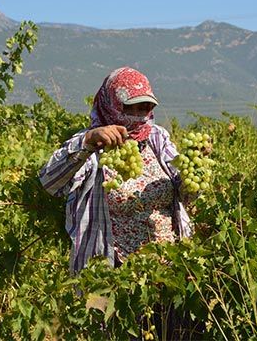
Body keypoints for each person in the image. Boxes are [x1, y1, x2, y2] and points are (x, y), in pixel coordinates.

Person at [39, 67, 195, 273]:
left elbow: (186, 193)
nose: (138, 116)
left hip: (167, 265)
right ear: (111, 105)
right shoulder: (91, 144)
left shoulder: (157, 138)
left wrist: (194, 169)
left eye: (145, 109)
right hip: (111, 269)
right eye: (131, 108)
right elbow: (50, 182)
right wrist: (87, 143)